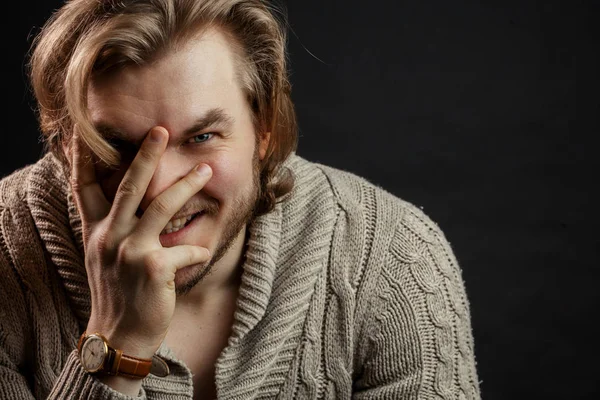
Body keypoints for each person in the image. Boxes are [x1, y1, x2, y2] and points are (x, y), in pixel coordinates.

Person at [0, 0, 481, 398]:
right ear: (65, 143)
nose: (156, 188)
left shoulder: (392, 256)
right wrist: (114, 344)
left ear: (264, 129)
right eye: (117, 147)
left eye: (202, 136)